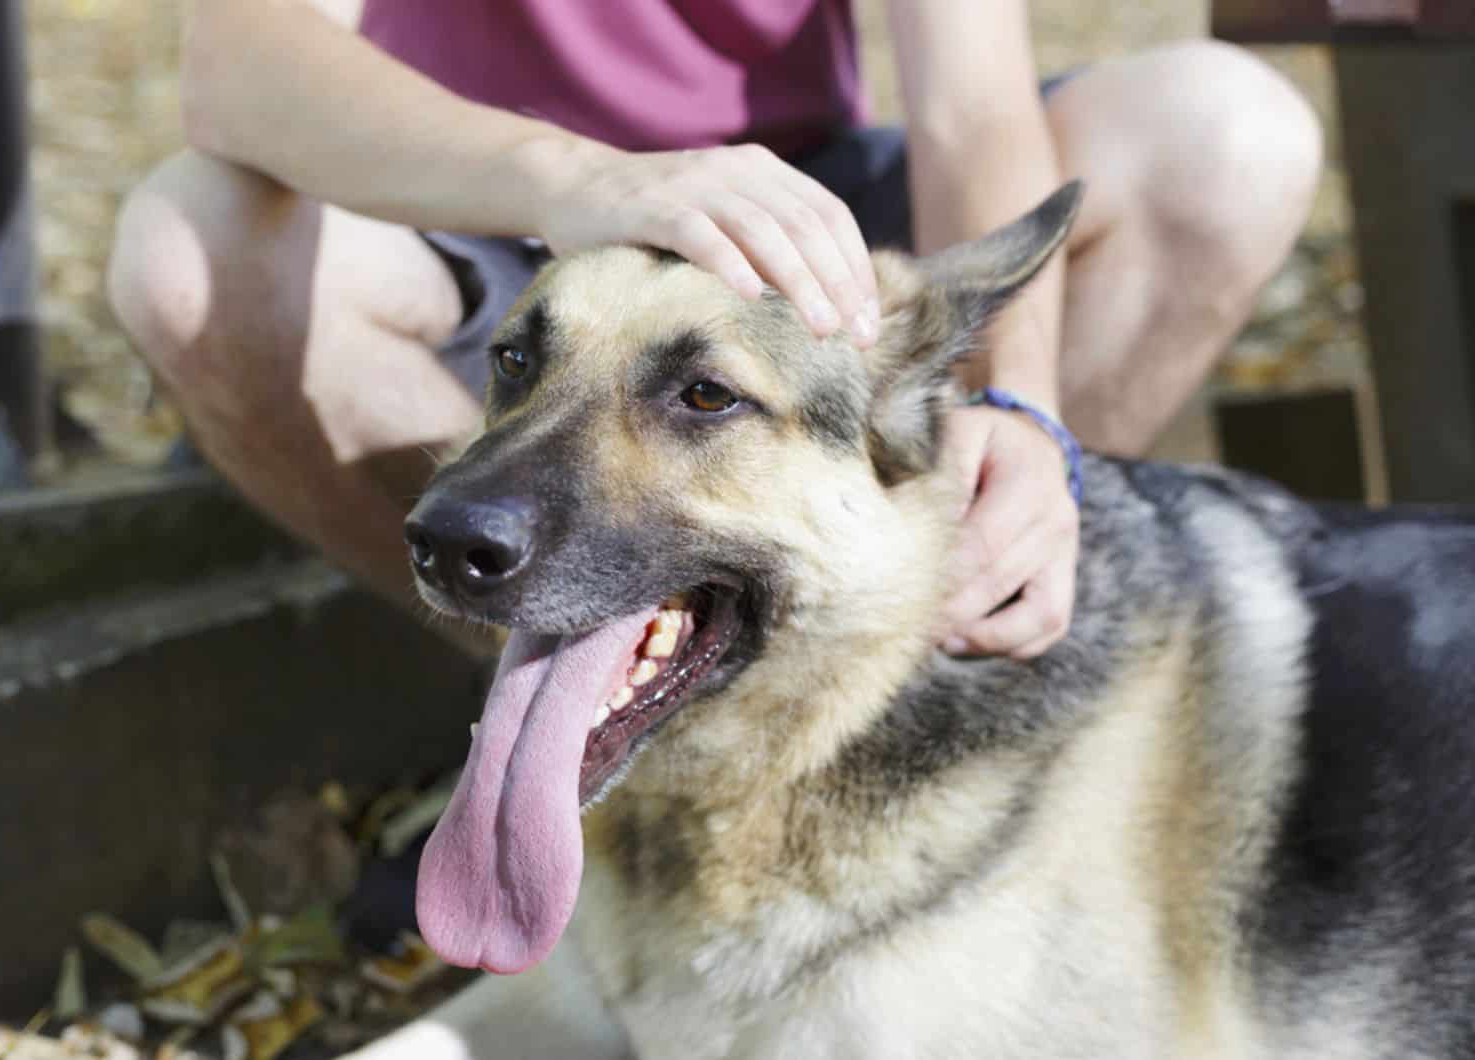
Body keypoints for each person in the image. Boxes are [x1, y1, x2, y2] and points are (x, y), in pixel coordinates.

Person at [108, 0, 1322, 661]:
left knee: (1227, 133)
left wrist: (1021, 405)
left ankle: (943, 642)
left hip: (790, 211)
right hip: (488, 210)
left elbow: (969, 107)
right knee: (188, 243)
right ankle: (542, 744)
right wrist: (567, 177)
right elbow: (238, 62)